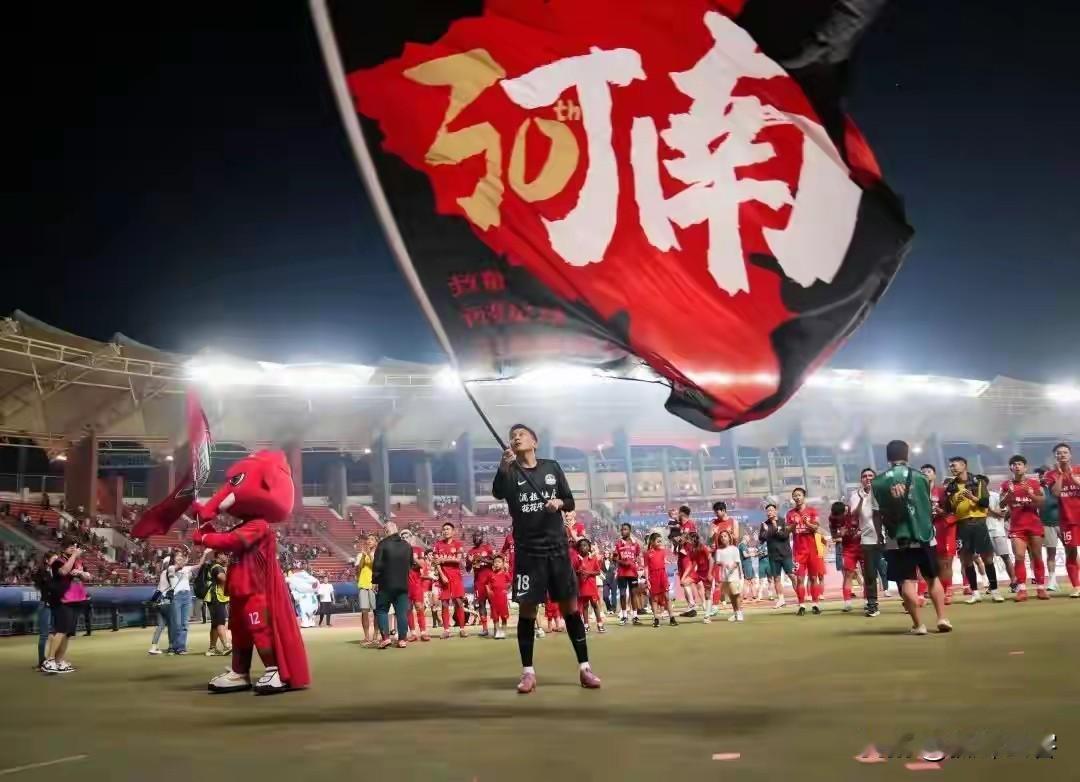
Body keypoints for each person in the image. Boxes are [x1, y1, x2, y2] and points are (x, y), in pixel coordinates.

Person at [492, 423, 600, 693]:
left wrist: (559, 503)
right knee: (528, 612)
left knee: (570, 608)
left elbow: (569, 501)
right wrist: (503, 466)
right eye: (512, 437)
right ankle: (528, 673)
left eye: (521, 434)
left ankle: (585, 668)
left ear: (535, 442)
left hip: (557, 550)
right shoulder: (510, 471)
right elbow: (497, 492)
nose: (516, 438)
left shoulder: (551, 467)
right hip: (528, 552)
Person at [870, 440, 952, 635]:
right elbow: (927, 506)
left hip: (897, 539)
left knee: (906, 581)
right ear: (907, 455)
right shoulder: (922, 478)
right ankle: (942, 618)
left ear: (888, 457)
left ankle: (918, 625)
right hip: (924, 535)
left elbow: (876, 514)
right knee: (932, 579)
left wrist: (879, 536)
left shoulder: (878, 482)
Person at [943, 456, 1003, 603]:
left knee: (987, 558)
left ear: (964, 465)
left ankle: (995, 591)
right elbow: (948, 509)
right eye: (950, 466)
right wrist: (955, 502)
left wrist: (972, 497)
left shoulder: (978, 481)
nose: (952, 468)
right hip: (962, 525)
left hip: (979, 523)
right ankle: (975, 592)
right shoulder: (951, 486)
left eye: (954, 465)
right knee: (966, 560)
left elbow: (985, 502)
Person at [998, 455, 1047, 601]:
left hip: (1034, 524)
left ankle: (1041, 588)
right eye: (1014, 464)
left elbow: (1041, 503)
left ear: (1025, 467)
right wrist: (1008, 495)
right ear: (1011, 468)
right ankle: (1022, 589)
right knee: (1019, 557)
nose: (1017, 466)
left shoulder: (1034, 483)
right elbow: (1001, 504)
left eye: (1019, 464)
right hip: (1016, 527)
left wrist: (1030, 494)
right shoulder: (1006, 485)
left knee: (1037, 556)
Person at [42, 538, 92, 674]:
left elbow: (88, 577)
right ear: (64, 548)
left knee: (68, 633)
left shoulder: (79, 562)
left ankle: (59, 661)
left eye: (75, 547)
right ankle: (50, 660)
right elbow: (63, 571)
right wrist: (74, 556)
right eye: (71, 546)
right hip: (62, 600)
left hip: (77, 600)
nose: (73, 548)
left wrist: (81, 573)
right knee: (61, 630)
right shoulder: (58, 561)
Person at [1043, 442, 1080, 597]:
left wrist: (1071, 476)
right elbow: (1056, 493)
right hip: (1067, 520)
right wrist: (1060, 475)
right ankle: (1076, 587)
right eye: (1059, 453)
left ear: (1070, 455)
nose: (1062, 455)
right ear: (1055, 457)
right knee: (1071, 553)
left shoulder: (1078, 470)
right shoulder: (1050, 474)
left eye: (1065, 452)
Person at [848, 468, 886, 616]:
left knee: (896, 569)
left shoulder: (883, 492)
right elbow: (854, 514)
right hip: (868, 538)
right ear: (861, 479)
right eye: (864, 476)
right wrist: (863, 499)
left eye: (871, 476)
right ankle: (872, 604)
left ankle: (907, 600)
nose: (868, 478)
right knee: (870, 574)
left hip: (887, 537)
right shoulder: (856, 495)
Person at [372, 521, 412, 649]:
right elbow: (410, 564)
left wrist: (374, 581)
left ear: (386, 531)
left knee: (382, 610)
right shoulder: (407, 545)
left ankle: (385, 638)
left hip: (386, 584)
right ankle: (402, 640)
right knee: (401, 613)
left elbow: (377, 565)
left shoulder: (383, 544)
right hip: (402, 584)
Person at [923, 465, 957, 604]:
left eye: (928, 471)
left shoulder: (942, 491)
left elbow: (951, 512)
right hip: (926, 530)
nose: (926, 474)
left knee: (945, 562)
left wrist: (938, 511)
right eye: (923, 472)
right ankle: (930, 590)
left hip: (943, 528)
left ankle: (947, 589)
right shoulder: (919, 493)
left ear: (934, 475)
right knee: (931, 562)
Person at [787, 488, 824, 615]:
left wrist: (807, 523)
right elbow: (787, 531)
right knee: (799, 579)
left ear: (804, 496)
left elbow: (816, 527)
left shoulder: (812, 511)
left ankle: (815, 604)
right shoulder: (790, 513)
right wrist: (794, 524)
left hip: (812, 550)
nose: (797, 498)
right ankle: (801, 605)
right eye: (794, 496)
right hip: (799, 551)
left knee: (813, 577)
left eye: (799, 495)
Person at [434, 522, 468, 639]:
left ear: (453, 531)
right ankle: (446, 630)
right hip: (444, 577)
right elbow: (436, 562)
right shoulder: (438, 545)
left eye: (448, 529)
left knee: (458, 602)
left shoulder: (458, 544)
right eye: (444, 529)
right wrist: (442, 575)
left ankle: (462, 629)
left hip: (456, 577)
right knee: (444, 603)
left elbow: (458, 560)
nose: (445, 531)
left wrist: (444, 560)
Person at [759, 503, 795, 608]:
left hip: (785, 554)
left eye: (771, 510)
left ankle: (800, 596)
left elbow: (784, 536)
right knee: (776, 578)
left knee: (792, 576)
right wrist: (765, 531)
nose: (769, 512)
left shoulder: (783, 521)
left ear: (776, 511)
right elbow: (761, 539)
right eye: (768, 511)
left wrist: (775, 526)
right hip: (773, 556)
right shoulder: (764, 524)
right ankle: (781, 600)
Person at [829, 500, 861, 612]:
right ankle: (847, 603)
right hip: (847, 549)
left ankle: (869, 601)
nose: (838, 518)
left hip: (862, 546)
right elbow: (834, 536)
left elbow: (866, 526)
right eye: (836, 516)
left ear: (845, 512)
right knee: (848, 574)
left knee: (866, 574)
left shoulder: (854, 513)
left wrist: (858, 533)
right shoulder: (832, 518)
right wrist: (840, 534)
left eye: (840, 516)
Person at [1035, 467, 1062, 592]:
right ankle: (1052, 581)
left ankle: (1077, 578)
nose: (1041, 476)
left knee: (1071, 551)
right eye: (1039, 475)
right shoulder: (1038, 489)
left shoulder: (1057, 487)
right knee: (1051, 553)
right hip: (1046, 524)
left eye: (1043, 474)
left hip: (1063, 524)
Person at [167, 550, 200, 654]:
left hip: (187, 595)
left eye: (181, 556)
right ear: (174, 558)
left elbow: (199, 565)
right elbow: (179, 567)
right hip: (177, 596)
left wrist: (204, 554)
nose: (180, 557)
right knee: (177, 624)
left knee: (185, 624)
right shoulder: (171, 568)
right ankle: (173, 646)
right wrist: (186, 557)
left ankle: (181, 648)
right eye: (178, 556)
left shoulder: (186, 568)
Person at [571, 538, 604, 633]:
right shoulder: (577, 559)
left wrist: (588, 573)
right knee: (585, 605)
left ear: (589, 547)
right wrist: (578, 572)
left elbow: (598, 572)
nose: (583, 547)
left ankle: (600, 624)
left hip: (592, 586)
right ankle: (586, 625)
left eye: (585, 545)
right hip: (582, 586)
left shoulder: (593, 559)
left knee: (594, 604)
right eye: (581, 546)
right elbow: (574, 571)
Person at [466, 531, 495, 637]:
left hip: (490, 581)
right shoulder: (470, 552)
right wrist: (470, 562)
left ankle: (496, 627)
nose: (477, 538)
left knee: (493, 604)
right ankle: (485, 629)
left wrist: (482, 559)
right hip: (478, 582)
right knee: (481, 604)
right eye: (475, 536)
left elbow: (495, 562)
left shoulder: (488, 548)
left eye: (478, 536)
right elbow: (468, 569)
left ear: (482, 537)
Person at [643, 532, 675, 627]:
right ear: (652, 542)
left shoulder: (662, 551)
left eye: (661, 541)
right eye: (658, 541)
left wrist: (668, 562)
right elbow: (646, 567)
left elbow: (663, 561)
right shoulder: (647, 553)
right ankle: (656, 619)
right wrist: (647, 580)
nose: (660, 543)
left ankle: (672, 618)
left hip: (662, 575)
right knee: (654, 599)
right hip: (653, 576)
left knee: (667, 597)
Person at [32, 552, 58, 669]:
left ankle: (53, 658)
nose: (57, 561)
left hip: (55, 605)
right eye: (54, 559)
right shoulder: (42, 572)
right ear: (47, 560)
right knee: (44, 635)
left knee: (56, 633)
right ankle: (41, 661)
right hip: (45, 604)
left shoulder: (56, 572)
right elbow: (42, 585)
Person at [714, 529, 744, 622]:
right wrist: (723, 563)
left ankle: (739, 613)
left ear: (729, 538)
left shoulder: (734, 549)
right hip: (725, 577)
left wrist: (732, 568)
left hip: (734, 576)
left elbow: (737, 562)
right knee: (731, 596)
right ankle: (735, 613)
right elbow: (717, 562)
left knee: (736, 594)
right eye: (721, 537)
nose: (723, 538)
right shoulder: (719, 551)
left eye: (725, 536)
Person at [614, 522, 642, 625]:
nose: (623, 531)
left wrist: (638, 564)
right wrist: (622, 562)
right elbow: (614, 558)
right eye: (622, 529)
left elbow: (638, 556)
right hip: (622, 573)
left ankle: (635, 616)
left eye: (625, 529)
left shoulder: (635, 543)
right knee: (622, 594)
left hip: (633, 572)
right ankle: (624, 616)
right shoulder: (618, 543)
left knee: (633, 594)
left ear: (630, 531)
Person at [148, 552, 175, 655]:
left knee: (160, 625)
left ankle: (153, 647)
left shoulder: (162, 574)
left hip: (160, 600)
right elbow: (173, 587)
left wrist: (152, 601)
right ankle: (171, 647)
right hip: (167, 600)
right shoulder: (171, 572)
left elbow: (158, 590)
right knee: (171, 624)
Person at [405, 533, 431, 642]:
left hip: (416, 583)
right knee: (408, 608)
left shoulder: (418, 550)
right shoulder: (399, 551)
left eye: (407, 536)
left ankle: (423, 632)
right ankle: (413, 633)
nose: (405, 539)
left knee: (419, 607)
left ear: (411, 537)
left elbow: (422, 564)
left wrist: (413, 558)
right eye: (403, 537)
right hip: (404, 584)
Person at [206, 550, 231, 655]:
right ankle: (226, 646)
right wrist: (231, 572)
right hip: (216, 597)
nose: (227, 557)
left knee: (215, 624)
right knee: (220, 622)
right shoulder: (217, 567)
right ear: (220, 555)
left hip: (214, 598)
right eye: (226, 554)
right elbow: (223, 578)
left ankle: (212, 648)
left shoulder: (214, 566)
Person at [488, 555, 512, 639]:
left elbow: (510, 583)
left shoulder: (506, 574)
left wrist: (507, 590)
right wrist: (489, 592)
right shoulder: (491, 574)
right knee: (495, 617)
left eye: (499, 562)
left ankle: (503, 632)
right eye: (495, 562)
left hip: (503, 599)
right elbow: (488, 585)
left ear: (503, 563)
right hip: (494, 599)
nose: (497, 564)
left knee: (504, 616)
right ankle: (497, 631)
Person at [738, 532, 758, 603]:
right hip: (746, 565)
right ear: (745, 537)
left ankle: (754, 596)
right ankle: (745, 597)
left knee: (753, 580)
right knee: (747, 581)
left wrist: (754, 554)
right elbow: (745, 555)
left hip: (749, 564)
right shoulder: (742, 545)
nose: (749, 538)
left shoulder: (744, 545)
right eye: (748, 536)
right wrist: (753, 554)